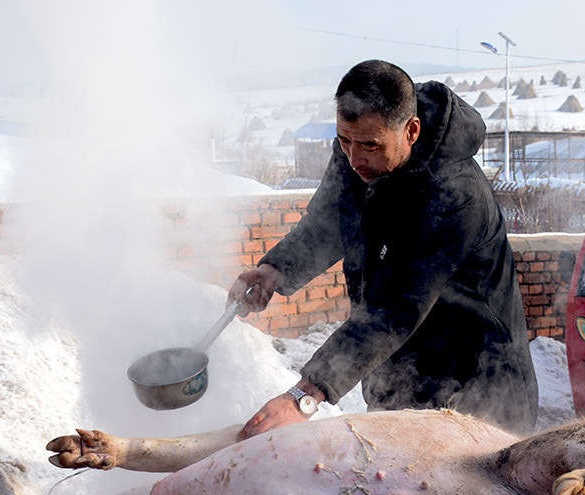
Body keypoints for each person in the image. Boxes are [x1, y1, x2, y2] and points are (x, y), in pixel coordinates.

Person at [229, 59, 537, 439]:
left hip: (477, 388)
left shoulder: (455, 194)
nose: (355, 158)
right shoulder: (359, 149)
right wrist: (275, 269)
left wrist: (304, 396)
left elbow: (396, 306)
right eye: (345, 141)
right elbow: (329, 223)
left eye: (370, 146)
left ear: (411, 130)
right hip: (401, 380)